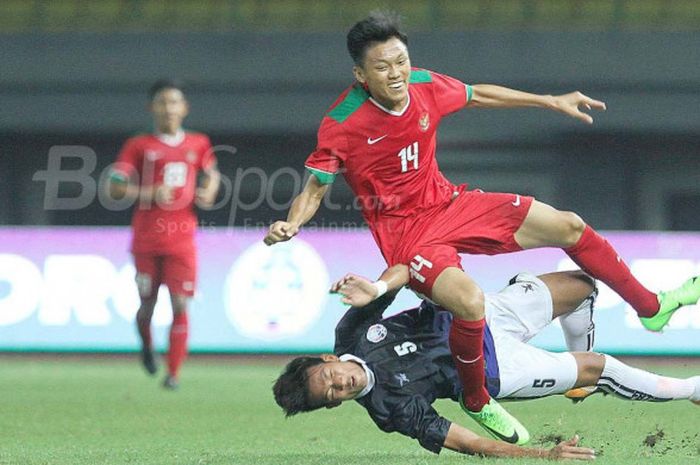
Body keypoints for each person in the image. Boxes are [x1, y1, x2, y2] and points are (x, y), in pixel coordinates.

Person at [264, 11, 700, 438]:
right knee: (470, 303)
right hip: (408, 236)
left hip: (449, 203)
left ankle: (651, 308)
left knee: (569, 226)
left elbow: (478, 94)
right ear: (361, 74)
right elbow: (315, 188)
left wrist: (547, 100)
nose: (396, 73)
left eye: (401, 61)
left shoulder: (424, 85)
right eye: (382, 67)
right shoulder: (342, 123)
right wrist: (292, 222)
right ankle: (476, 399)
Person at [273, 269, 700, 459]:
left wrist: (378, 284)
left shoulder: (351, 332)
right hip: (497, 369)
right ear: (332, 405)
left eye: (329, 377)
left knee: (583, 286)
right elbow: (467, 444)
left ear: (328, 360)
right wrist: (542, 456)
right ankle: (692, 390)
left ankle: (579, 385)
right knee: (600, 364)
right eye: (330, 395)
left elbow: (403, 270)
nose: (339, 386)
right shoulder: (390, 409)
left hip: (481, 313)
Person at [108, 79, 220, 389]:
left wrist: (208, 191)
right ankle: (146, 344)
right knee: (147, 305)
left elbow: (212, 173)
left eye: (174, 102)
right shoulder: (139, 146)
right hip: (146, 239)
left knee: (181, 303)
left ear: (184, 108)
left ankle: (173, 373)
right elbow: (114, 186)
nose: (168, 108)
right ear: (151, 108)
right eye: (162, 102)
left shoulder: (198, 143)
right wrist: (149, 191)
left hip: (182, 238)